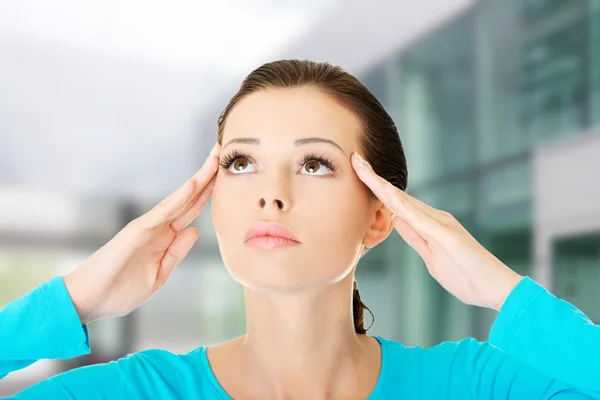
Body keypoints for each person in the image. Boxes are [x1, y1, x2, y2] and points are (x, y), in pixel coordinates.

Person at [1, 60, 599, 399]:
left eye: (314, 163)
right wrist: (72, 298)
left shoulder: (476, 386)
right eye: (241, 162)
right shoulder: (133, 394)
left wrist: (504, 293)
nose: (271, 192)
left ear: (381, 213)